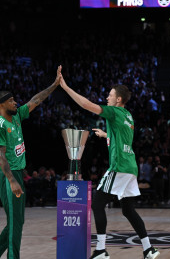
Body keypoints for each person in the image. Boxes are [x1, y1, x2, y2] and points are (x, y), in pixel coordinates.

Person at [59, 66, 160, 259]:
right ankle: (149, 249)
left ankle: (101, 251)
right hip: (131, 167)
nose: (107, 97)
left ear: (118, 100)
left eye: (110, 95)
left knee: (97, 204)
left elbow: (87, 105)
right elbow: (122, 140)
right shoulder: (128, 116)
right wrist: (106, 135)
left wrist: (66, 88)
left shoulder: (114, 112)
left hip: (119, 166)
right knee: (128, 210)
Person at [0, 66, 61, 258]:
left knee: (16, 221)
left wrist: (54, 84)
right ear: (1, 105)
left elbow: (36, 100)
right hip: (6, 174)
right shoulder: (1, 125)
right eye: (11, 100)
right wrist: (11, 180)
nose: (15, 102)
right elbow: (0, 156)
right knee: (16, 222)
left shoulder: (17, 115)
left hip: (16, 173)